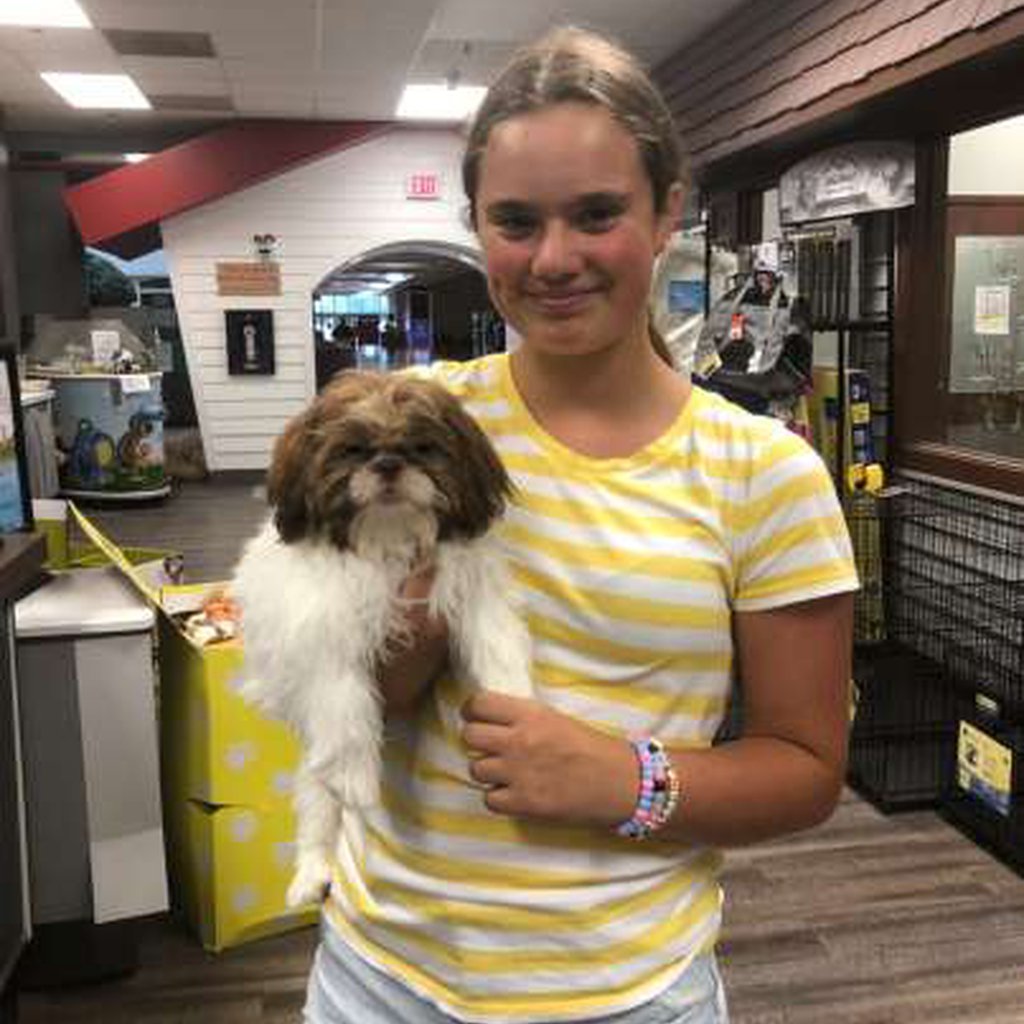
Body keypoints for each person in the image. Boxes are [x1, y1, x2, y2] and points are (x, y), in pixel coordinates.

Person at [303, 25, 857, 1024]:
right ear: (477, 228)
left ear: (665, 214)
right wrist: (411, 628)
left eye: (596, 214)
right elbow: (345, 699)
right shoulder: (412, 422)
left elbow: (807, 770)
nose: (553, 258)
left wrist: (624, 779)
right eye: (515, 222)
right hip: (381, 973)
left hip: (626, 990)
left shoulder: (764, 474)